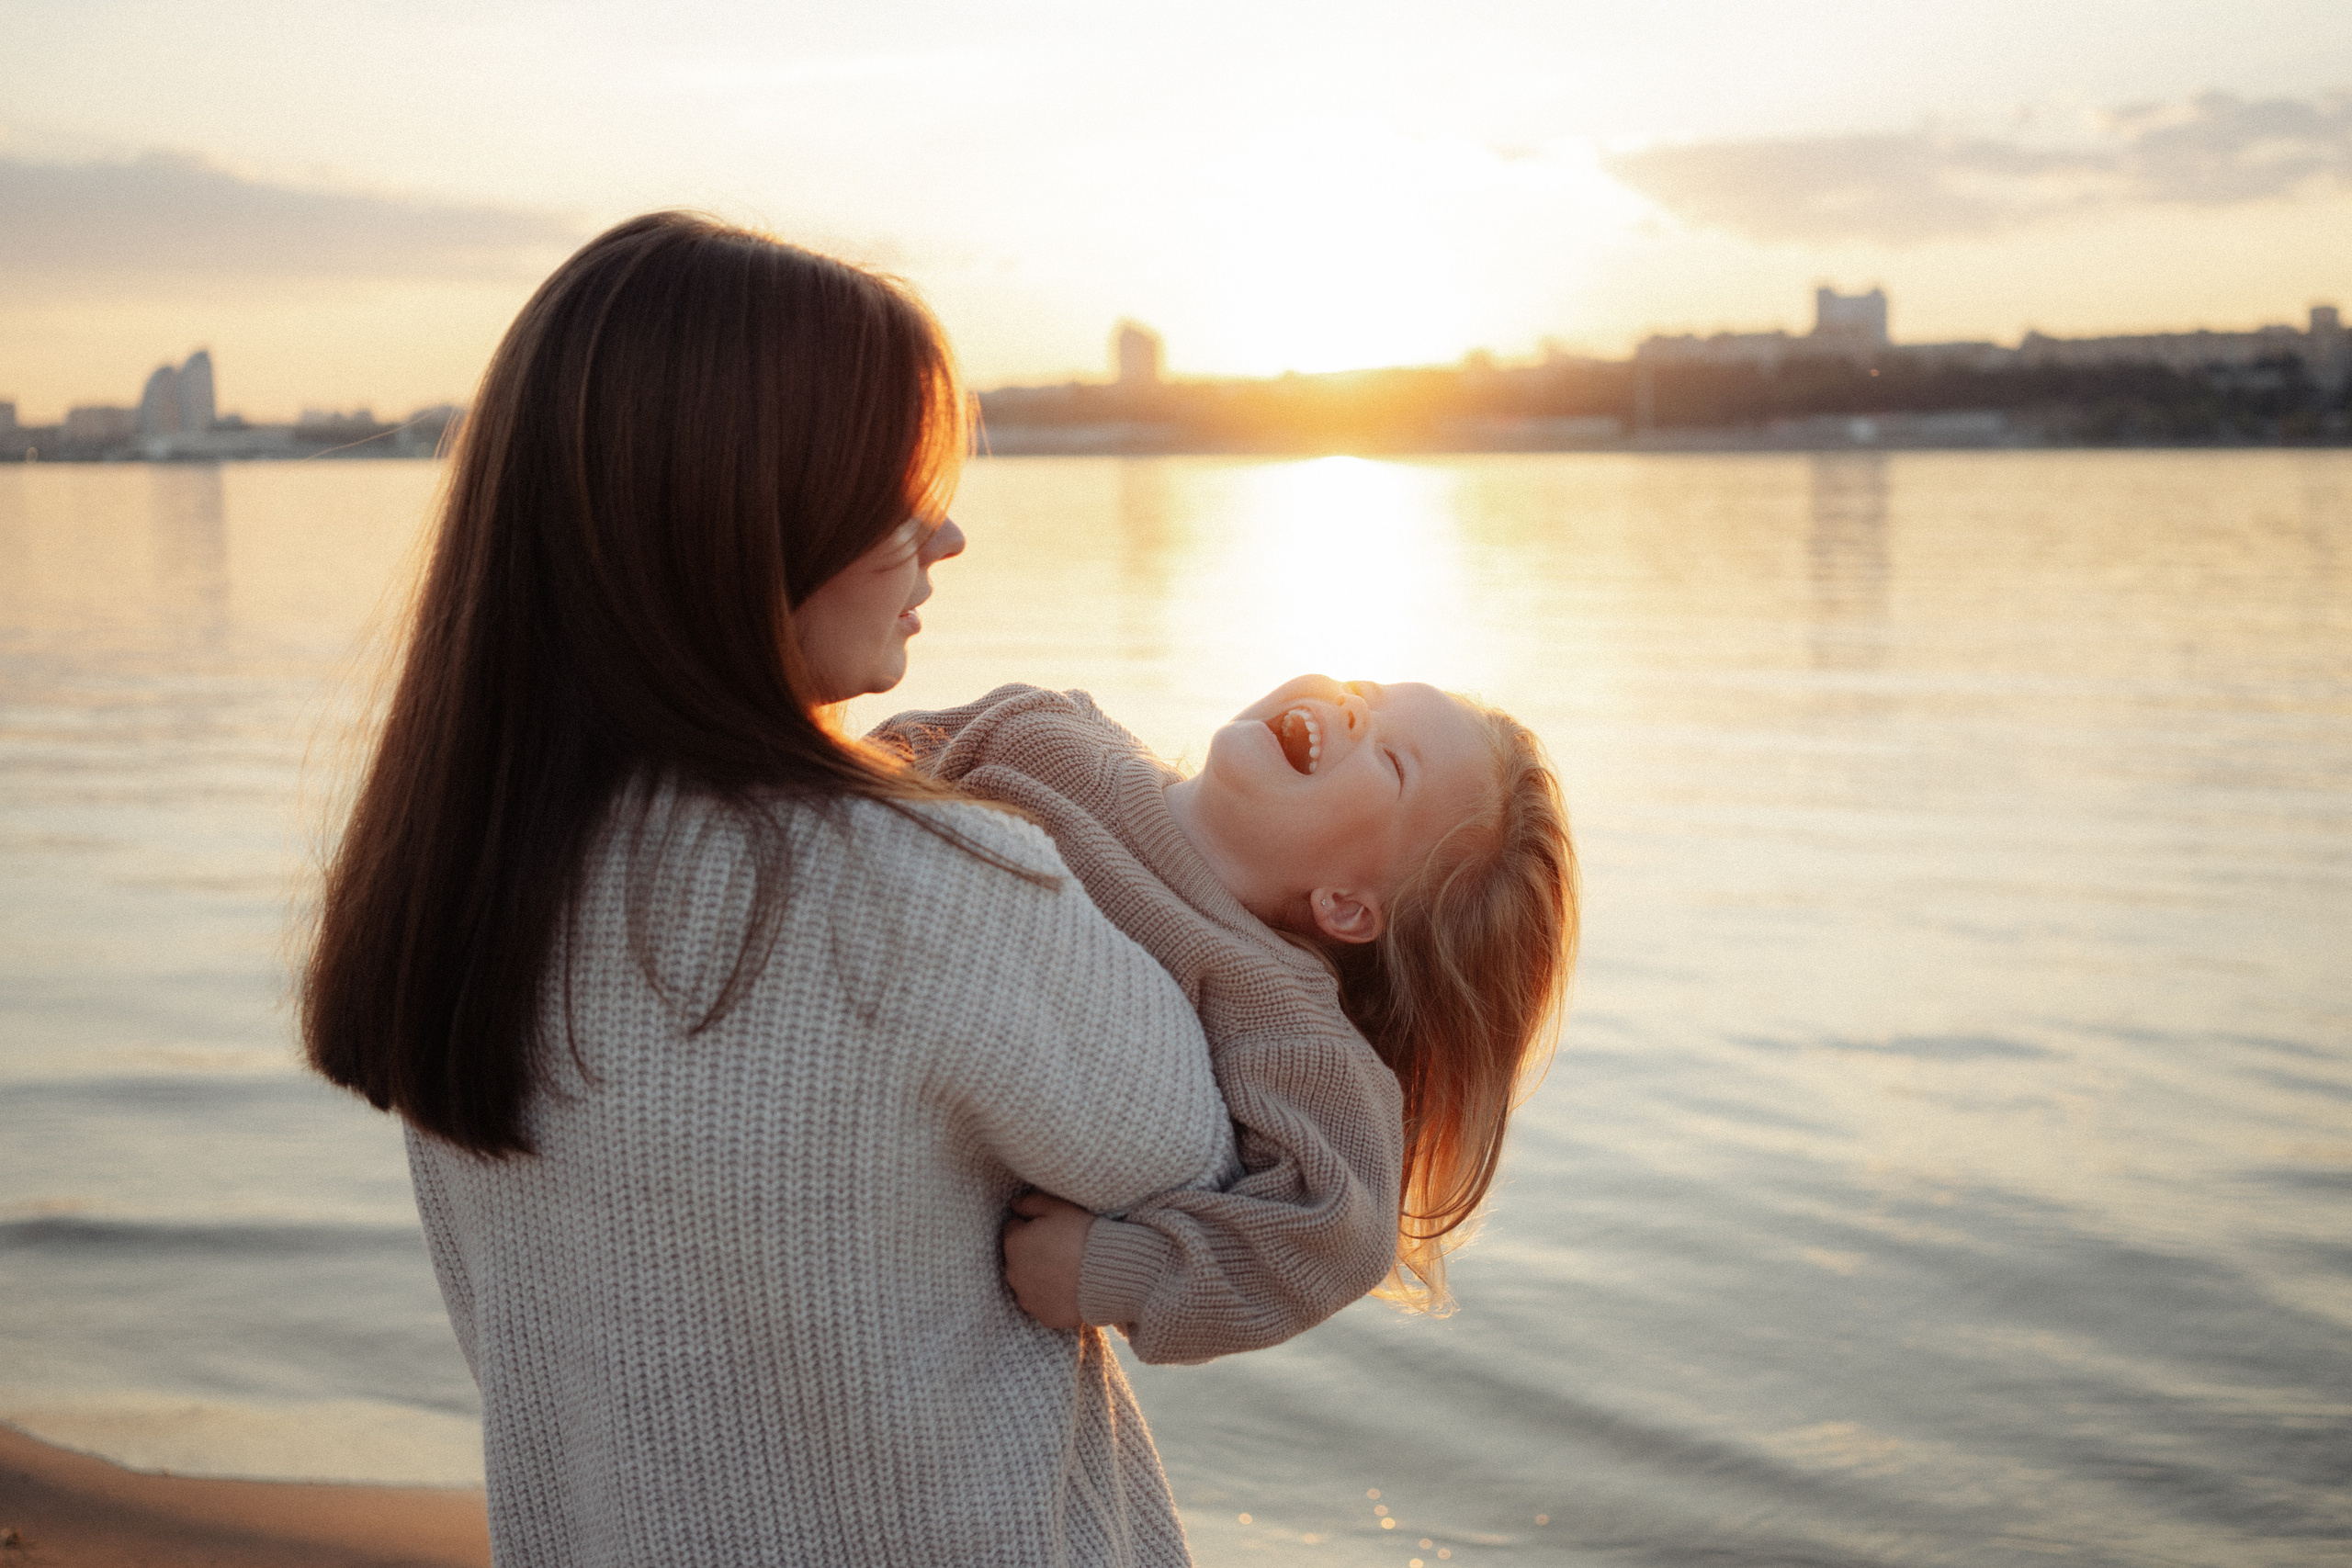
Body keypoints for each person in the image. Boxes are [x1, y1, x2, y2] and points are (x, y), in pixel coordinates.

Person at [300, 212, 1238, 1567]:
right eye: (893, 489)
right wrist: (1121, 802)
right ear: (737, 517)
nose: (946, 533)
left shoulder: (458, 885)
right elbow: (1208, 1164)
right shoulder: (933, 884)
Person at [872, 677, 1577, 1363]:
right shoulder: (1052, 729)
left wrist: (1118, 1270)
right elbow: (861, 769)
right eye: (1366, 690)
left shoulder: (1274, 1002)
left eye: (1392, 762)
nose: (1350, 709)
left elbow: (1339, 1231)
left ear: (1344, 905)